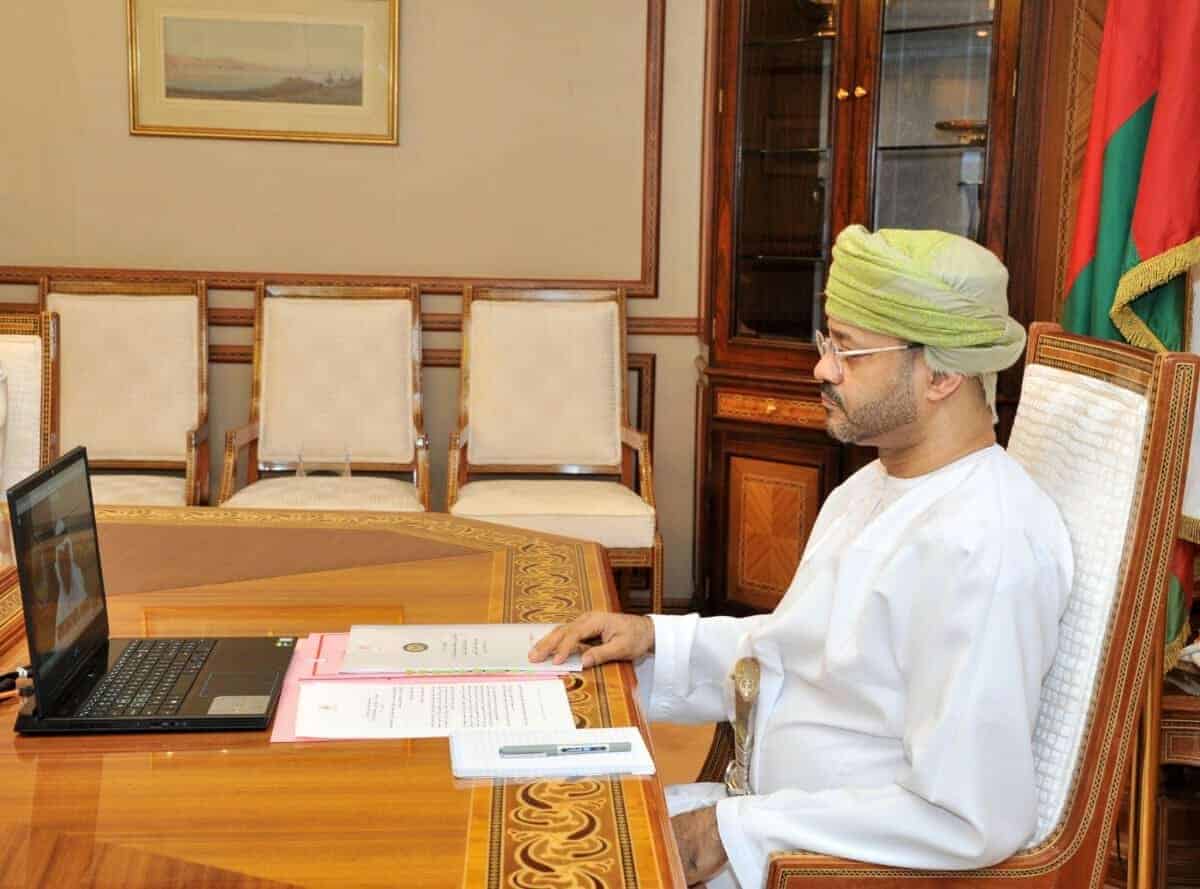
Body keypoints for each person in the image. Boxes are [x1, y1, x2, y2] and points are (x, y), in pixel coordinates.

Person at [530, 225, 1073, 889]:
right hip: (768, 824)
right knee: (536, 823)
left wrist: (729, 833)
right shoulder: (870, 486)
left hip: (826, 868)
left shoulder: (985, 546)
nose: (823, 369)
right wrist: (654, 641)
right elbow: (800, 654)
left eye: (850, 351)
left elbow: (964, 817)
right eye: (827, 343)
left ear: (943, 374)